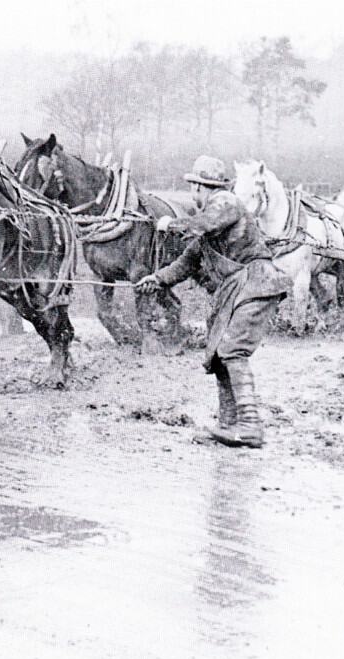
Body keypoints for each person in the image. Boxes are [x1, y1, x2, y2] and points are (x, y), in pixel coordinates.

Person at [136, 156, 290, 448]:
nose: (192, 194)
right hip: (236, 290)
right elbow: (185, 263)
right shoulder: (210, 229)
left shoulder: (224, 202)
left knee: (232, 349)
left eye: (193, 187)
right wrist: (156, 279)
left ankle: (250, 427)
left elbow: (202, 224)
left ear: (199, 187)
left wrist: (171, 223)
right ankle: (228, 425)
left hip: (255, 283)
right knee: (220, 355)